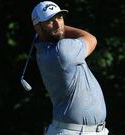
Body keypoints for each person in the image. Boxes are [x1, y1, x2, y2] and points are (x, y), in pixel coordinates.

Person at [31, 1, 109, 135]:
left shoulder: (43, 50)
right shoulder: (62, 51)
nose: (58, 24)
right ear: (37, 27)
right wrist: (62, 28)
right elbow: (91, 39)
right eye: (50, 21)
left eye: (60, 18)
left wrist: (54, 28)